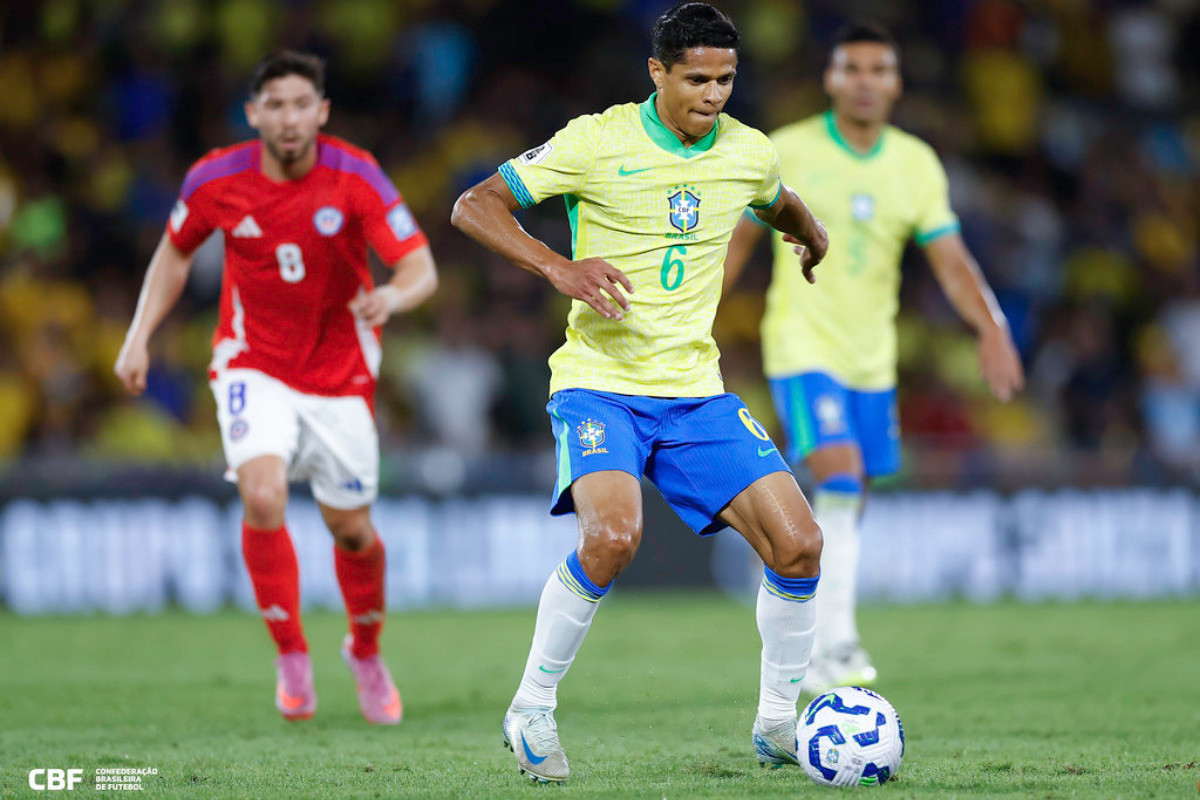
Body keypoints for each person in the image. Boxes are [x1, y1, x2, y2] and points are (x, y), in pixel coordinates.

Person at [452, 3, 829, 783]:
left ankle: (776, 725)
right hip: (601, 387)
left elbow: (776, 198)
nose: (713, 94)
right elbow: (474, 205)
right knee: (613, 538)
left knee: (799, 544)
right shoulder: (597, 140)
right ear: (657, 72)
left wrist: (810, 231)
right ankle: (530, 709)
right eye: (697, 78)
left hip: (695, 391)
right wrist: (558, 267)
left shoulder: (747, 153)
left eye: (726, 79)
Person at [114, 51, 438, 725]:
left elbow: (420, 266)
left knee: (351, 531)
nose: (288, 119)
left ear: (321, 112)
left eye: (301, 105)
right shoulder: (214, 178)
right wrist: (138, 333)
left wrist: (394, 297)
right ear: (253, 114)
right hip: (252, 362)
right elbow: (175, 251)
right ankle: (291, 653)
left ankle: (365, 651)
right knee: (261, 493)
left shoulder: (356, 175)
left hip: (340, 372)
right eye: (275, 105)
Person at [723, 23, 1024, 692]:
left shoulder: (914, 162)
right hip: (802, 345)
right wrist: (693, 322)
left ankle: (775, 549)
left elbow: (949, 259)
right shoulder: (790, 150)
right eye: (851, 68)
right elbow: (737, 244)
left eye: (878, 69)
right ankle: (835, 645)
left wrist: (991, 325)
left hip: (872, 360)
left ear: (895, 83)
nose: (864, 80)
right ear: (831, 79)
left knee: (848, 498)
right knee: (842, 476)